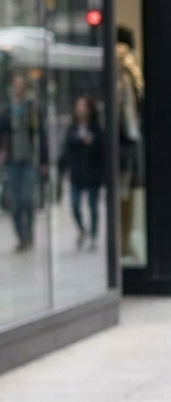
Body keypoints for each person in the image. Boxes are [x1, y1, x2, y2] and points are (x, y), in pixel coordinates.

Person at [0, 74, 47, 252]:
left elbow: (40, 135)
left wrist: (43, 161)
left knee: (27, 199)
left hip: (29, 159)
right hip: (12, 160)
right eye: (15, 85)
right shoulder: (7, 111)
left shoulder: (32, 109)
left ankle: (28, 233)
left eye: (21, 85)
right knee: (15, 202)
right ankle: (21, 236)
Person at [58, 95, 105, 250]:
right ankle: (82, 229)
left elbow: (102, 149)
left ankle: (93, 234)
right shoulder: (72, 129)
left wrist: (91, 143)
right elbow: (66, 150)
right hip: (77, 173)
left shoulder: (96, 129)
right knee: (75, 204)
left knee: (93, 206)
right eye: (79, 107)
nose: (81, 110)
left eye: (84, 107)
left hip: (92, 172)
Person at [116, 27, 143, 261]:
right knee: (122, 194)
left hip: (130, 140)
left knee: (128, 194)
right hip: (121, 142)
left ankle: (125, 240)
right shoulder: (119, 75)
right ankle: (121, 241)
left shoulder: (130, 74)